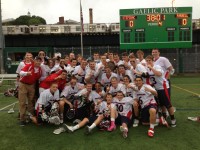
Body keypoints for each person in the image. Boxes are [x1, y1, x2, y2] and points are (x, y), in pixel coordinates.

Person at [145, 55, 176, 127]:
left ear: (153, 61)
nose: (148, 62)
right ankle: (164, 117)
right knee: (161, 104)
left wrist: (151, 67)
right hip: (156, 88)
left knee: (168, 104)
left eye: (149, 60)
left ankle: (173, 119)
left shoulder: (157, 66)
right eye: (147, 61)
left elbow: (159, 74)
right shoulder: (147, 68)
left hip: (163, 87)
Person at [18, 56, 42, 126]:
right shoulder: (29, 66)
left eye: (39, 61)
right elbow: (21, 72)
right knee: (22, 102)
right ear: (34, 61)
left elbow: (37, 78)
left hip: (32, 86)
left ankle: (30, 117)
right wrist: (27, 73)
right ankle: (22, 119)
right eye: (37, 60)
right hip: (23, 85)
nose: (38, 62)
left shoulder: (40, 69)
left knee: (31, 102)